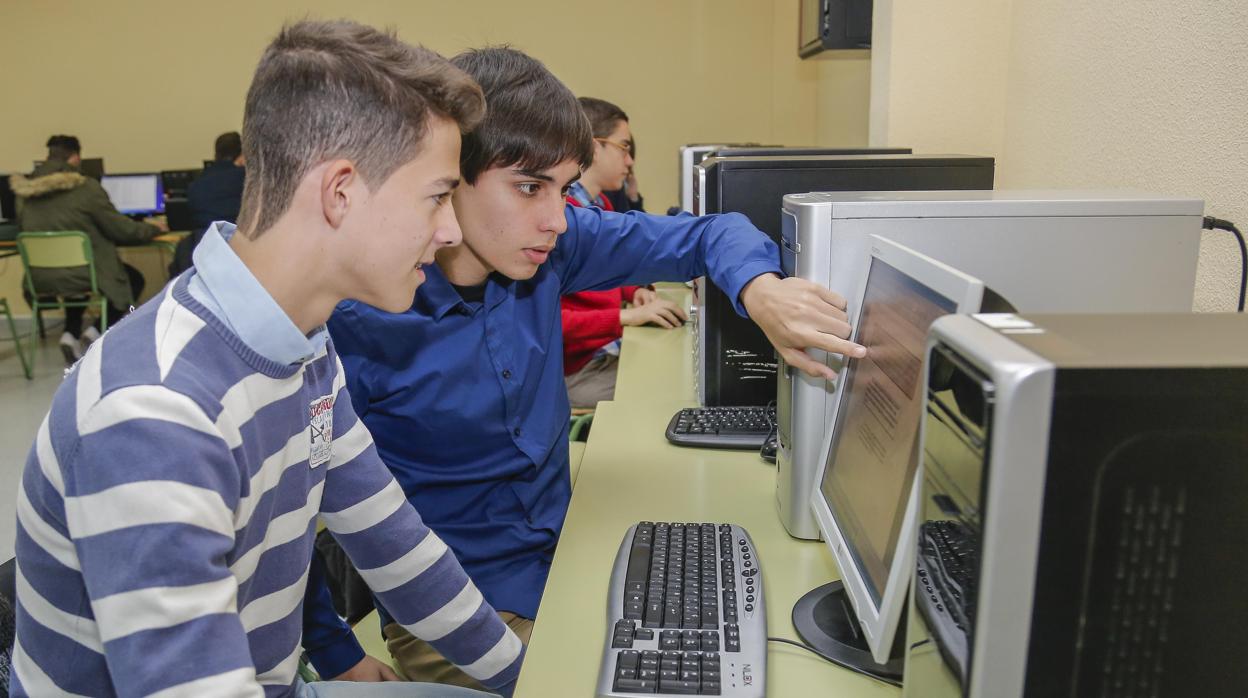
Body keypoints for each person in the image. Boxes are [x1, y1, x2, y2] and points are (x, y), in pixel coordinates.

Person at [308, 46, 864, 688]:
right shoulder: (361, 315)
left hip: (570, 554)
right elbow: (294, 509)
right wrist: (336, 651)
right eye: (528, 187)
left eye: (563, 188)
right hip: (458, 601)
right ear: (449, 176)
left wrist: (761, 289)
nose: (555, 219)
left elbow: (712, 234)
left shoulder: (553, 244)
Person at [9, 21, 523, 697]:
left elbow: (396, 547)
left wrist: (530, 676)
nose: (451, 229)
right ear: (340, 191)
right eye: (437, 196)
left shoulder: (303, 345)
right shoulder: (155, 411)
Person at [561, 96, 684, 407]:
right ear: (592, 146)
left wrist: (636, 289)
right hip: (578, 371)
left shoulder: (599, 206)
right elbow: (547, 320)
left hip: (601, 353)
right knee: (668, 391)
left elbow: (603, 267)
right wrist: (626, 315)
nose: (630, 161)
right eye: (624, 147)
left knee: (670, 370)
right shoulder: (563, 216)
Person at [9, 135, 166, 364]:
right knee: (131, 280)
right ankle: (93, 334)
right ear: (75, 158)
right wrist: (151, 228)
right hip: (86, 272)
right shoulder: (85, 188)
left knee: (77, 281)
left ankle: (69, 334)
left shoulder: (23, 194)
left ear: (47, 157)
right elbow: (122, 230)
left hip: (41, 277)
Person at [169, 131, 247, 275]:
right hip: (238, 254)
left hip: (198, 253)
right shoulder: (247, 181)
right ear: (242, 157)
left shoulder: (196, 183)